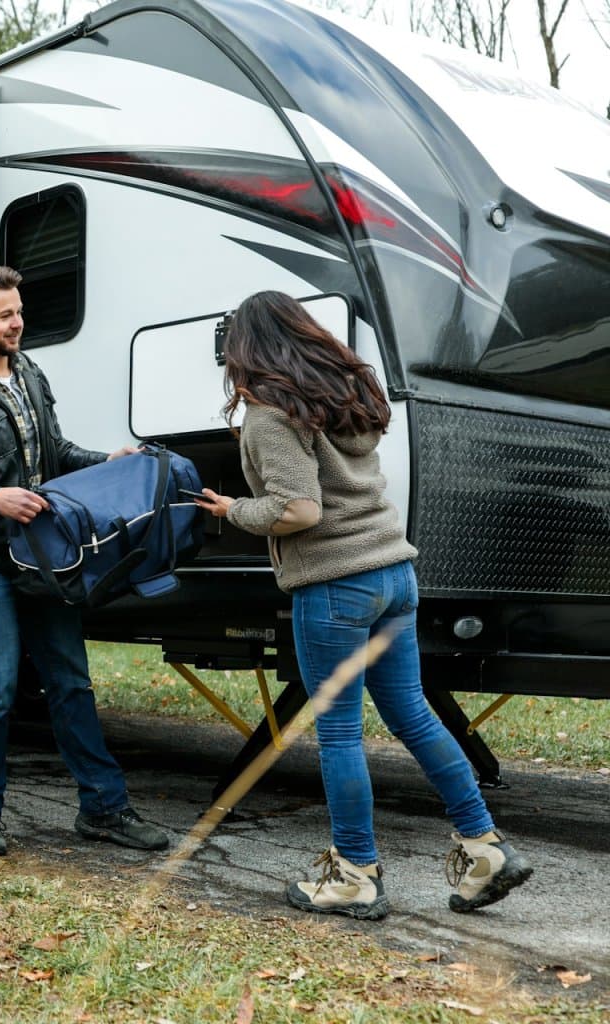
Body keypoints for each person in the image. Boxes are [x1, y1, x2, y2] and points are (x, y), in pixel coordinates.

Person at [193, 290, 532, 920]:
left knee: (340, 734)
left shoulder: (272, 413)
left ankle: (354, 872)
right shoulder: (346, 395)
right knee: (415, 716)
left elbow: (298, 510)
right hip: (394, 574)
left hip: (335, 584)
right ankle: (482, 846)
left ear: (246, 348)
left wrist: (232, 510)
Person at [0, 265, 168, 857]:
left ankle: (103, 810)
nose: (18, 322)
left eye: (19, 311)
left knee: (70, 681)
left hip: (44, 559)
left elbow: (56, 453)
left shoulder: (30, 374)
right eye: (5, 314)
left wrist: (111, 460)